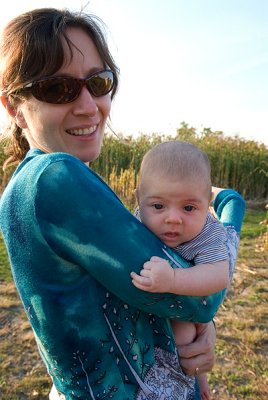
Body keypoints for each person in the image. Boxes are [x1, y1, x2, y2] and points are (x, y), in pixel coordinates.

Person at [0, 7, 237, 400]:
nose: (89, 106)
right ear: (13, 107)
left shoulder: (28, 184)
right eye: (57, 89)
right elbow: (201, 297)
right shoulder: (54, 177)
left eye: (98, 82)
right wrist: (200, 313)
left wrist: (193, 324)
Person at [131, 141, 245, 399]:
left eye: (189, 208)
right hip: (138, 316)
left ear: (207, 206)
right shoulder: (135, 221)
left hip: (182, 307)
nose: (173, 218)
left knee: (185, 335)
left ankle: (193, 379)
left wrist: (173, 279)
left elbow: (218, 275)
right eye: (158, 206)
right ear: (139, 199)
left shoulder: (207, 233)